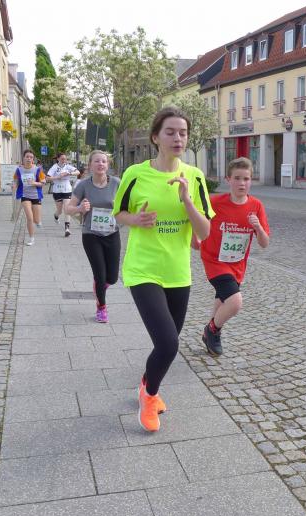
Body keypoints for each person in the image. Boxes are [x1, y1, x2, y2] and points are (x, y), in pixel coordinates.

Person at [113, 106, 214, 432]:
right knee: (169, 343)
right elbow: (119, 214)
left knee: (167, 343)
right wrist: (136, 219)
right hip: (143, 269)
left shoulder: (195, 177)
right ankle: (149, 396)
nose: (177, 138)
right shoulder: (135, 174)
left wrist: (187, 201)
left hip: (177, 272)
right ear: (156, 137)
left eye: (182, 132)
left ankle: (146, 384)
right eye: (170, 132)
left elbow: (204, 233)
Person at [196, 157, 270, 356]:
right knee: (235, 302)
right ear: (228, 179)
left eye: (246, 179)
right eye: (237, 178)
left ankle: (209, 335)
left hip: (237, 264)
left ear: (251, 180)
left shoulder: (256, 206)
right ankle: (212, 330)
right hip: (214, 260)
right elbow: (196, 217)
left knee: (222, 301)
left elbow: (264, 243)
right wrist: (195, 238)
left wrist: (258, 227)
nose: (242, 183)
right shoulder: (215, 202)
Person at [65, 151, 121, 323]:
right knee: (100, 274)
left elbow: (129, 204)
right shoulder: (83, 185)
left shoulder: (117, 183)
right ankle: (101, 307)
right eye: (97, 161)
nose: (100, 164)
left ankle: (99, 287)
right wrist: (80, 208)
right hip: (91, 235)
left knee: (113, 277)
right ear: (90, 165)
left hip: (112, 233)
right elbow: (68, 209)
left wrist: (123, 208)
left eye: (104, 161)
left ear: (108, 165)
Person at [14, 149, 46, 246]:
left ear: (33, 159)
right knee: (29, 217)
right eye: (27, 157)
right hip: (24, 195)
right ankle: (31, 238)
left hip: (36, 195)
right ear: (23, 158)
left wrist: (34, 183)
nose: (29, 159)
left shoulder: (37, 169)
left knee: (36, 220)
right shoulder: (19, 170)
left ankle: (38, 221)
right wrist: (14, 186)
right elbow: (16, 181)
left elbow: (43, 183)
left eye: (31, 157)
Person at [48, 153, 80, 237]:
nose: (64, 160)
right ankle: (56, 216)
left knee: (67, 209)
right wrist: (58, 177)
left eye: (65, 159)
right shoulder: (54, 167)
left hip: (67, 190)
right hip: (57, 190)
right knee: (60, 211)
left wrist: (69, 173)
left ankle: (67, 229)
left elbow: (78, 172)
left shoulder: (68, 166)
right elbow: (48, 178)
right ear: (58, 159)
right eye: (62, 159)